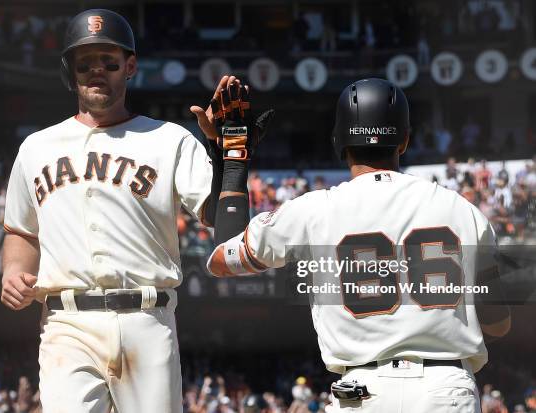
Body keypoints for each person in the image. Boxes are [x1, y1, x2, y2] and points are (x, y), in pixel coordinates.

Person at [0, 8, 271, 413]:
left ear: (130, 67)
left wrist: (230, 158)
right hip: (66, 324)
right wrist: (11, 271)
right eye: (85, 63)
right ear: (69, 71)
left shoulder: (169, 139)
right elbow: (22, 229)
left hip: (148, 318)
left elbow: (224, 223)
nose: (97, 72)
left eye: (110, 63)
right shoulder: (36, 147)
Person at [207, 78, 510, 412]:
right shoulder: (464, 210)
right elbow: (497, 321)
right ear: (405, 140)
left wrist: (234, 155)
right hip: (445, 389)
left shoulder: (312, 210)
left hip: (363, 391)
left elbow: (223, 257)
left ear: (338, 141)